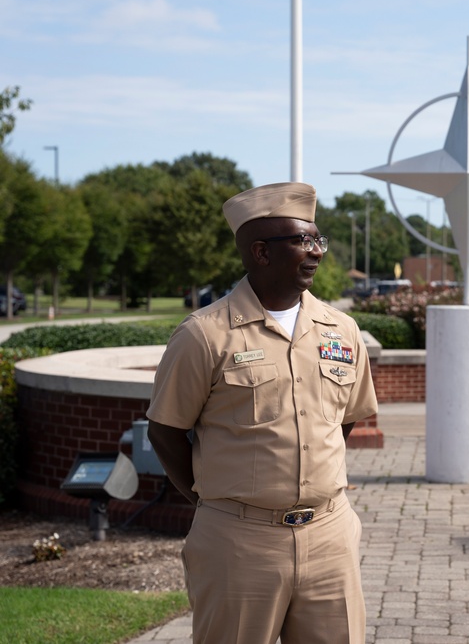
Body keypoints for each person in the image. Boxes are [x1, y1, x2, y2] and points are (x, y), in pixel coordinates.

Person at [147, 181, 377, 644]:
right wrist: (215, 501)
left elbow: (343, 420)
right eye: (302, 241)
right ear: (260, 252)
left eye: (318, 240)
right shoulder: (204, 335)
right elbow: (165, 432)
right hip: (238, 543)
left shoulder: (342, 329)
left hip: (330, 535)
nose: (316, 252)